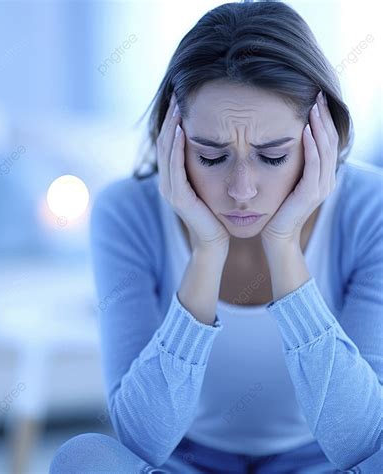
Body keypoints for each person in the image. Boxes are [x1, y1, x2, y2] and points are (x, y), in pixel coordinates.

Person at [50, 1, 382, 472]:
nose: (242, 191)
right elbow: (141, 442)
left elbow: (362, 442)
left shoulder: (372, 209)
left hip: (320, 462)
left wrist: (283, 245)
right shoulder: (126, 212)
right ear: (174, 136)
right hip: (183, 462)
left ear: (319, 138)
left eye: (273, 157)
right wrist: (206, 253)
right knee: (83, 459)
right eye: (210, 157)